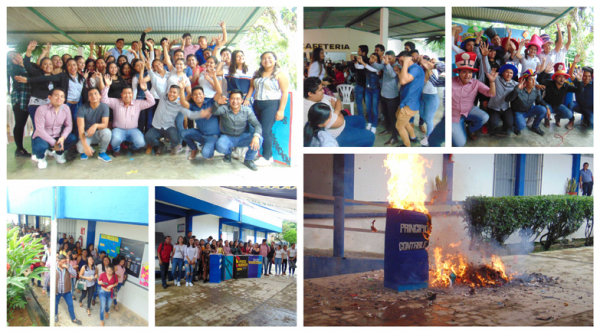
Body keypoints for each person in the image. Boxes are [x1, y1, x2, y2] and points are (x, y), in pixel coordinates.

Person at [245, 51, 289, 167]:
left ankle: (267, 157)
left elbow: (284, 93)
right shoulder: (258, 73)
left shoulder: (280, 74)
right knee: (256, 129)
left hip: (271, 105)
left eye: (269, 58)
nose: (266, 60)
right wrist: (247, 99)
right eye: (264, 58)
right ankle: (256, 153)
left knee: (265, 131)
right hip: (257, 104)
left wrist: (281, 110)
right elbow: (251, 86)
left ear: (275, 59)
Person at [304, 77, 374, 147]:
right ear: (310, 93)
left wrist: (335, 111)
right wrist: (336, 110)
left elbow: (337, 100)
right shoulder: (312, 109)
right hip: (337, 134)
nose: (323, 91)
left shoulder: (318, 96)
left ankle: (357, 141)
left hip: (340, 121)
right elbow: (339, 122)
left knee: (361, 119)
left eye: (322, 88)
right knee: (370, 136)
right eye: (320, 89)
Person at [101, 74, 156, 156]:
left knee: (141, 143)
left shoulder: (137, 103)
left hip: (133, 130)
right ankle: (116, 150)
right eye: (125, 93)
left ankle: (132, 147)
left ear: (132, 95)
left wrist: (145, 90)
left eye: (129, 93)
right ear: (121, 95)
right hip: (118, 130)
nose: (127, 95)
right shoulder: (116, 102)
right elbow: (104, 100)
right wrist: (107, 86)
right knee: (115, 140)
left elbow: (152, 102)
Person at [208, 90, 263, 170]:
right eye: (233, 99)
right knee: (220, 146)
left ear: (242, 100)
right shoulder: (225, 108)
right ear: (229, 100)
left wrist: (256, 136)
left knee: (260, 139)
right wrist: (217, 103)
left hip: (242, 137)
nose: (235, 101)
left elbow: (257, 124)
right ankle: (228, 153)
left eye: (238, 99)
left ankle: (249, 159)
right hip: (227, 137)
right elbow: (214, 111)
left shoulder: (247, 110)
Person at [452, 52, 496, 147]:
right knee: (459, 144)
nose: (467, 75)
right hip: (454, 115)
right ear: (459, 72)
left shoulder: (476, 83)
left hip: (469, 110)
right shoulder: (451, 82)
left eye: (470, 72)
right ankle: (458, 127)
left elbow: (491, 93)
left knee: (485, 117)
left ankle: (470, 129)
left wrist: (492, 81)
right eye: (464, 72)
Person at [181, 70, 223, 161]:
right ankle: (194, 149)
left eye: (200, 94)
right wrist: (181, 89)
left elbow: (219, 92)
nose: (198, 96)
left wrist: (214, 77)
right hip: (200, 134)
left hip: (213, 136)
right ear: (192, 97)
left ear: (204, 95)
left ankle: (210, 148)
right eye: (195, 95)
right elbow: (183, 103)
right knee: (184, 133)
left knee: (205, 154)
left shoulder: (210, 103)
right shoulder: (193, 106)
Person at [31, 88, 77, 169]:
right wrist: (54, 143)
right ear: (49, 97)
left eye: (62, 96)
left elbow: (69, 125)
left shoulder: (66, 108)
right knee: (40, 147)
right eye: (56, 95)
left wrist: (62, 138)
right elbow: (40, 130)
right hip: (42, 137)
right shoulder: (41, 109)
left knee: (72, 138)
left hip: (57, 136)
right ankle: (41, 158)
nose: (59, 98)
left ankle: (58, 153)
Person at [505, 69, 549, 136]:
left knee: (543, 110)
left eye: (534, 79)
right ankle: (515, 126)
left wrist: (547, 107)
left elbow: (540, 100)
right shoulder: (518, 89)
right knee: (521, 126)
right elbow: (507, 99)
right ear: (525, 81)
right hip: (519, 112)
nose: (534, 82)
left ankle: (535, 127)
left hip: (530, 110)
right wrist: (517, 90)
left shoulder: (536, 90)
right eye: (531, 79)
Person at [538, 62, 583, 129]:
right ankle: (546, 119)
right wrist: (545, 72)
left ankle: (557, 118)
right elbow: (539, 80)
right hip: (548, 105)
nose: (562, 79)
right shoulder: (550, 83)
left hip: (558, 106)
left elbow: (579, 91)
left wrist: (579, 81)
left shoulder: (567, 86)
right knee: (543, 110)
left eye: (563, 77)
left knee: (569, 114)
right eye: (560, 77)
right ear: (555, 78)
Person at [395, 52, 425, 147]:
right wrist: (399, 72)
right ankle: (413, 136)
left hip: (410, 103)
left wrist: (406, 61)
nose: (400, 64)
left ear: (406, 59)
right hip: (407, 102)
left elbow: (403, 81)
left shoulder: (415, 69)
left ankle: (407, 146)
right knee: (398, 116)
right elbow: (403, 82)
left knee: (399, 126)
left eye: (401, 61)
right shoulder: (411, 69)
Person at [7, 51, 33, 157]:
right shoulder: (13, 69)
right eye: (12, 58)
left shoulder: (28, 65)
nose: (16, 57)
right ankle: (19, 149)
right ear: (10, 61)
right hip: (20, 98)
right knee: (20, 123)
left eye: (16, 54)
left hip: (32, 97)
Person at [76, 87, 112, 162]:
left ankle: (102, 152)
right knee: (80, 148)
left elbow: (105, 124)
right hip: (87, 134)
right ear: (88, 97)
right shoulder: (82, 108)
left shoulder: (104, 107)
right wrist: (85, 147)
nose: (93, 96)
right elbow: (80, 129)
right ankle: (88, 149)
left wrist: (95, 125)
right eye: (90, 95)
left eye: (95, 94)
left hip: (98, 134)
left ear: (100, 95)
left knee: (107, 132)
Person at [484, 59, 518, 135]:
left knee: (509, 124)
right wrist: (484, 57)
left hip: (505, 108)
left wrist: (537, 84)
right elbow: (487, 70)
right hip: (493, 107)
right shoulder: (496, 79)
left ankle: (504, 129)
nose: (509, 74)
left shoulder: (516, 84)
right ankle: (491, 129)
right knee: (493, 123)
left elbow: (526, 83)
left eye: (511, 73)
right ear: (503, 73)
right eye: (507, 72)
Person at [47, 254, 82, 325]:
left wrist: (68, 267)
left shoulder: (68, 266)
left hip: (66, 291)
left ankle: (73, 319)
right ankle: (55, 315)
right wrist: (46, 286)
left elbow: (75, 273)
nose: (64, 263)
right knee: (55, 304)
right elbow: (48, 277)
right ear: (58, 261)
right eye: (62, 262)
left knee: (70, 304)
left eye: (65, 261)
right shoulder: (54, 267)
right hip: (57, 291)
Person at [568, 56, 593, 128]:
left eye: (589, 76)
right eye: (585, 76)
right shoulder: (579, 82)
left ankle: (585, 118)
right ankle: (571, 120)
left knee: (591, 125)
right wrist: (574, 63)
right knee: (571, 104)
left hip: (589, 109)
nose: (587, 78)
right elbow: (570, 75)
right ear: (582, 76)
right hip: (578, 106)